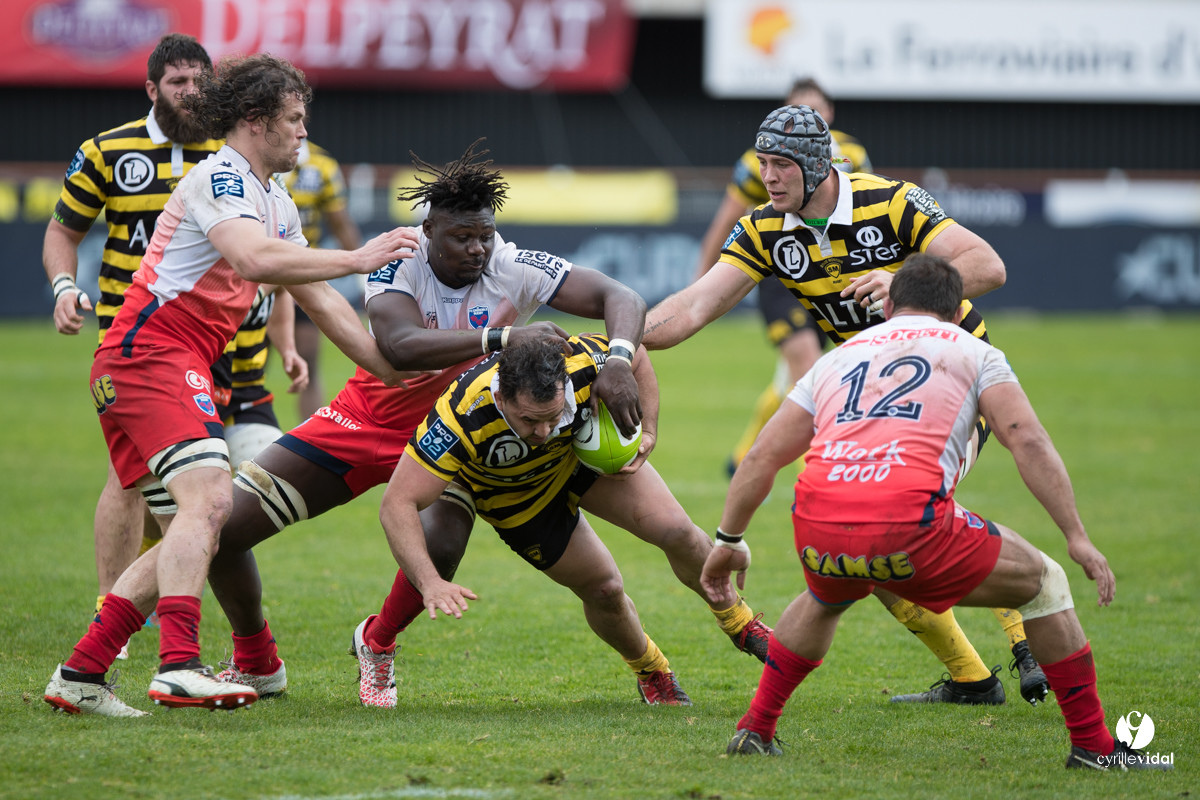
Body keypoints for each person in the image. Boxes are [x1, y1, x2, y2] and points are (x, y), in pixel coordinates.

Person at [205, 142, 772, 708]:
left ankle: (378, 643)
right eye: (461, 238)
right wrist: (502, 338)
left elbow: (619, 296)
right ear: (427, 231)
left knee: (449, 543)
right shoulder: (397, 259)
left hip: (478, 430)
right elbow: (399, 347)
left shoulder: (512, 263)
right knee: (226, 528)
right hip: (371, 418)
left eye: (484, 236)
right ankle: (256, 657)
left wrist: (620, 357)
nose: (478, 249)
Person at [43, 52, 420, 717]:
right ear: (254, 121)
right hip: (149, 354)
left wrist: (392, 371)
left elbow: (322, 301)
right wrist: (361, 255)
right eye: (295, 120)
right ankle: (181, 665)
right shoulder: (220, 175)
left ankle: (81, 673)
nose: (305, 134)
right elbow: (251, 258)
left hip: (158, 362)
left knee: (197, 521)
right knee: (212, 502)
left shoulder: (273, 198)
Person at [644, 103, 1050, 706]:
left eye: (781, 164)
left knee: (894, 527)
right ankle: (976, 678)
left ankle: (1025, 626)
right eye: (762, 164)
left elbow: (988, 266)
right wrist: (619, 339)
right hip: (870, 396)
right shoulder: (765, 229)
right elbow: (692, 309)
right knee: (867, 541)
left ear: (816, 166)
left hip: (955, 380)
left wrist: (905, 281)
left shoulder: (891, 202)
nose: (768, 177)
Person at [706, 254, 1171, 773]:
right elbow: (1026, 440)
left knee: (824, 597)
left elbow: (763, 455)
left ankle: (755, 729)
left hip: (818, 518)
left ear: (887, 306)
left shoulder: (838, 357)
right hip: (909, 522)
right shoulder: (975, 351)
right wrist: (1076, 535)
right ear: (955, 313)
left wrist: (728, 539)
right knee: (1046, 583)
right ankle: (1094, 748)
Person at [377, 335, 743, 704]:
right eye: (530, 421)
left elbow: (638, 354)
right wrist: (429, 583)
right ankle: (651, 670)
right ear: (501, 397)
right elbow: (396, 503)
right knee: (605, 589)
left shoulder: (583, 362)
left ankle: (741, 623)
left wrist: (648, 430)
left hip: (577, 460)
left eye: (553, 416)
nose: (542, 431)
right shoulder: (462, 412)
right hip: (519, 501)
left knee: (677, 529)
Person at [40, 33, 225, 638]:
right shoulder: (107, 150)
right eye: (178, 83)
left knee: (186, 482)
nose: (192, 93)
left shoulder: (229, 155)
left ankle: (150, 610)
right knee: (136, 478)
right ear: (152, 89)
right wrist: (66, 287)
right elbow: (63, 231)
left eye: (201, 81)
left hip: (212, 341)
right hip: (131, 338)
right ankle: (117, 615)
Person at [694, 78, 869, 475]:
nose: (811, 117)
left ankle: (743, 456)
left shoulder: (852, 153)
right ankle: (824, 471)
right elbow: (725, 220)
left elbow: (866, 206)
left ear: (830, 114)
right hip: (781, 272)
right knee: (808, 367)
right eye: (801, 109)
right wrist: (700, 284)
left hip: (834, 274)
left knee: (789, 380)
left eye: (817, 110)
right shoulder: (760, 159)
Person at [279, 140, 363, 418]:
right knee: (244, 364)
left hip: (301, 278)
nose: (299, 127)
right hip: (252, 278)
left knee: (309, 364)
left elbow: (341, 224)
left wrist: (367, 280)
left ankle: (308, 448)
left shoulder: (322, 164)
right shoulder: (244, 159)